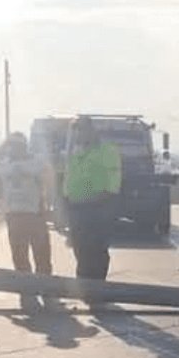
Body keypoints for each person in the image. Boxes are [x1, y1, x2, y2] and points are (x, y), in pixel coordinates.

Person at [0, 132, 55, 312]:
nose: (13, 148)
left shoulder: (37, 163)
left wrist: (50, 206)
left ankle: (46, 287)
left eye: (17, 145)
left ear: (24, 146)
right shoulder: (4, 165)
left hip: (35, 215)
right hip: (14, 215)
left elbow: (49, 184)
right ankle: (26, 290)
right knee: (19, 255)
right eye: (11, 145)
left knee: (42, 255)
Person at [63, 117, 122, 281]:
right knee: (80, 248)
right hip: (76, 207)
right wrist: (66, 198)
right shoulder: (76, 153)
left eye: (81, 130)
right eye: (76, 131)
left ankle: (97, 286)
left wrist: (104, 198)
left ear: (91, 130)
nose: (78, 134)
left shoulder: (107, 150)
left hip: (98, 207)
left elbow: (113, 179)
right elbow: (70, 177)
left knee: (97, 249)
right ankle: (84, 284)